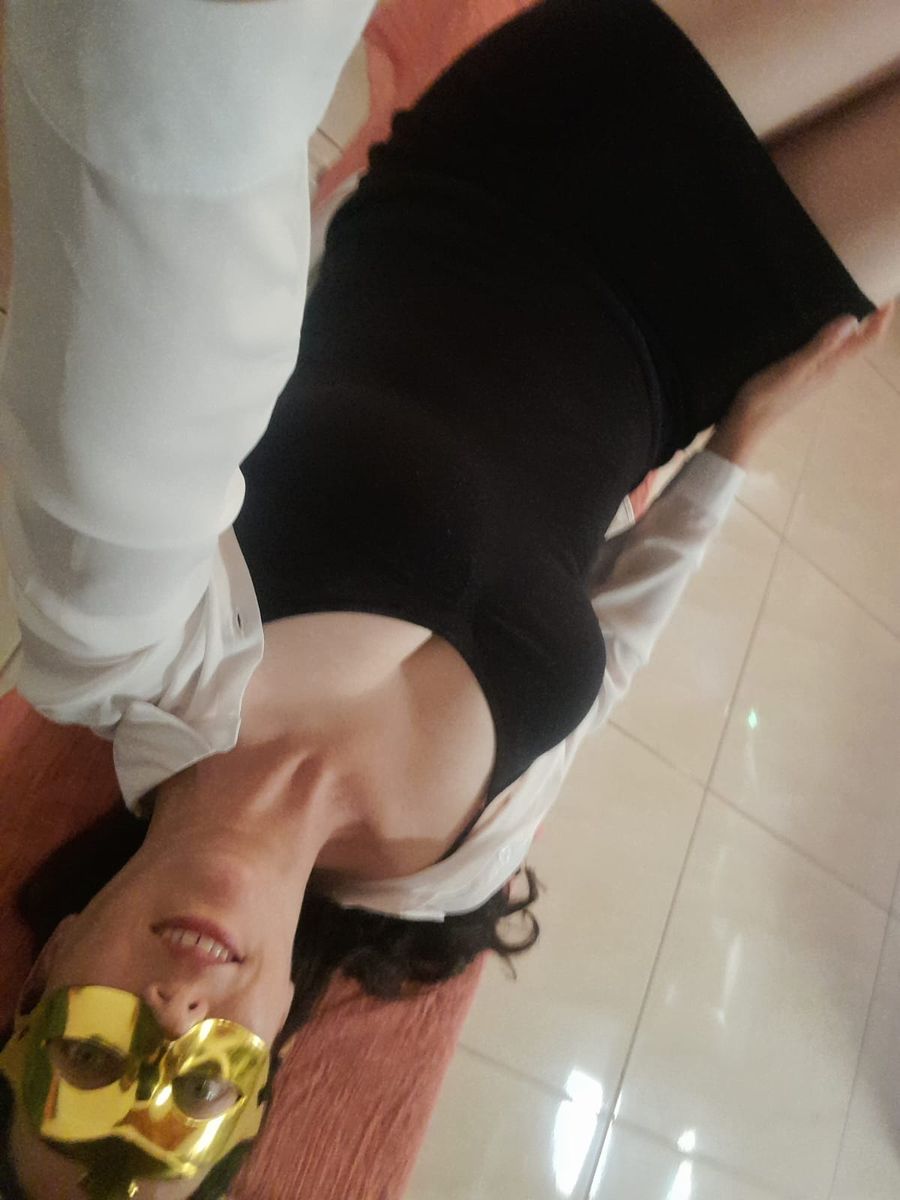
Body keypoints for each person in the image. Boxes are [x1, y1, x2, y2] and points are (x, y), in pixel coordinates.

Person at [1, 0, 898, 1196]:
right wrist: (738, 446)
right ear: (267, 1061)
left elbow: (157, 161)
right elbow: (612, 659)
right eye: (197, 1089)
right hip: (687, 359)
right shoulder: (446, 876)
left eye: (95, 1059)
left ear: (48, 973)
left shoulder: (125, 641)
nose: (173, 1015)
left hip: (521, 172)